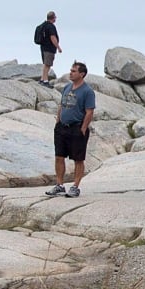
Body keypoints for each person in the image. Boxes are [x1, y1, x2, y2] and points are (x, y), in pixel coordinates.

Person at [45, 61, 96, 198]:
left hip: (76, 128)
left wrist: (83, 128)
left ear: (82, 74)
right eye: (71, 70)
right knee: (59, 156)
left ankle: (75, 186)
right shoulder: (67, 87)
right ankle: (60, 185)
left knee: (78, 159)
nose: (70, 73)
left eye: (74, 71)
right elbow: (61, 105)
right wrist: (58, 121)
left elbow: (89, 112)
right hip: (62, 127)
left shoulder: (87, 91)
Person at [37, 11, 60, 86]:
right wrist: (58, 47)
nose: (56, 18)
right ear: (53, 18)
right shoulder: (51, 26)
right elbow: (53, 37)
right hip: (49, 48)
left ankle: (42, 79)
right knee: (47, 65)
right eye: (55, 17)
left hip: (43, 47)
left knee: (46, 64)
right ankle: (45, 81)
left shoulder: (44, 25)